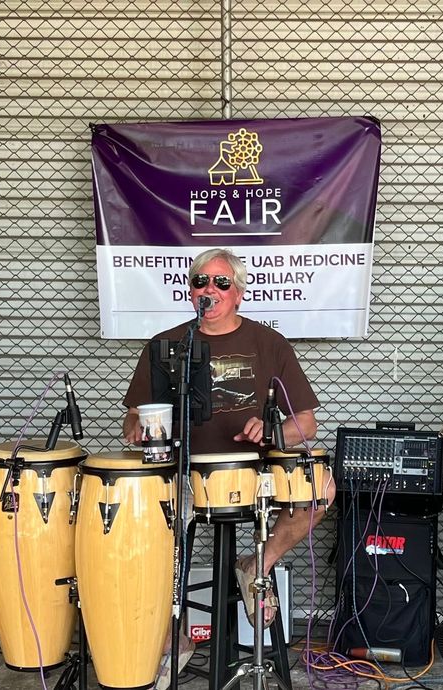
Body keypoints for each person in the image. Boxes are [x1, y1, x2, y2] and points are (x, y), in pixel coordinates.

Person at [122, 248, 333, 682]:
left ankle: (258, 564)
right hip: (182, 470)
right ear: (190, 291)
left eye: (221, 283)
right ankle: (171, 635)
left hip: (253, 473)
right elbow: (132, 418)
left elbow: (306, 424)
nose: (210, 290)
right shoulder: (165, 346)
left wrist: (272, 431)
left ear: (238, 293)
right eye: (201, 281)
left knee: (322, 490)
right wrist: (139, 428)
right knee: (140, 530)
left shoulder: (267, 343)